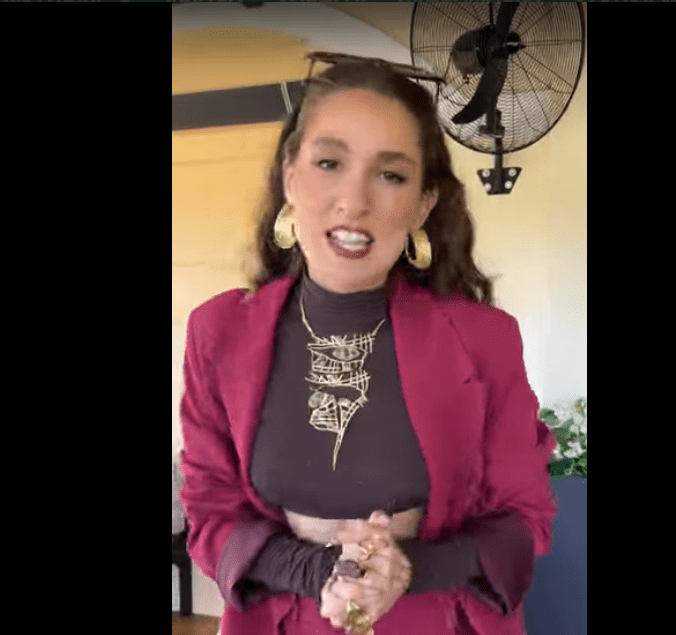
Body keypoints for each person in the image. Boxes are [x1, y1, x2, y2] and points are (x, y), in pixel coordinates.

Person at [178, 55, 557, 635]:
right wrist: (319, 571)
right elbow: (210, 512)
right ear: (290, 177)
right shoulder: (217, 332)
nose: (354, 201)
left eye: (391, 175)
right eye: (329, 163)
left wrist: (404, 570)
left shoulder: (485, 339)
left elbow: (525, 520)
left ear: (424, 204)